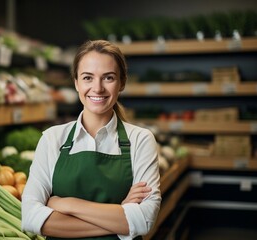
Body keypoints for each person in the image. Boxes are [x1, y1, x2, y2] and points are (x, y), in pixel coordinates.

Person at [21, 39, 161, 240]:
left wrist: (67, 204)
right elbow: (31, 218)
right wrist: (120, 214)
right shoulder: (52, 138)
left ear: (122, 83)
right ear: (76, 83)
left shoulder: (140, 140)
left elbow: (144, 220)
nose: (98, 88)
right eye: (88, 78)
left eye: (108, 78)